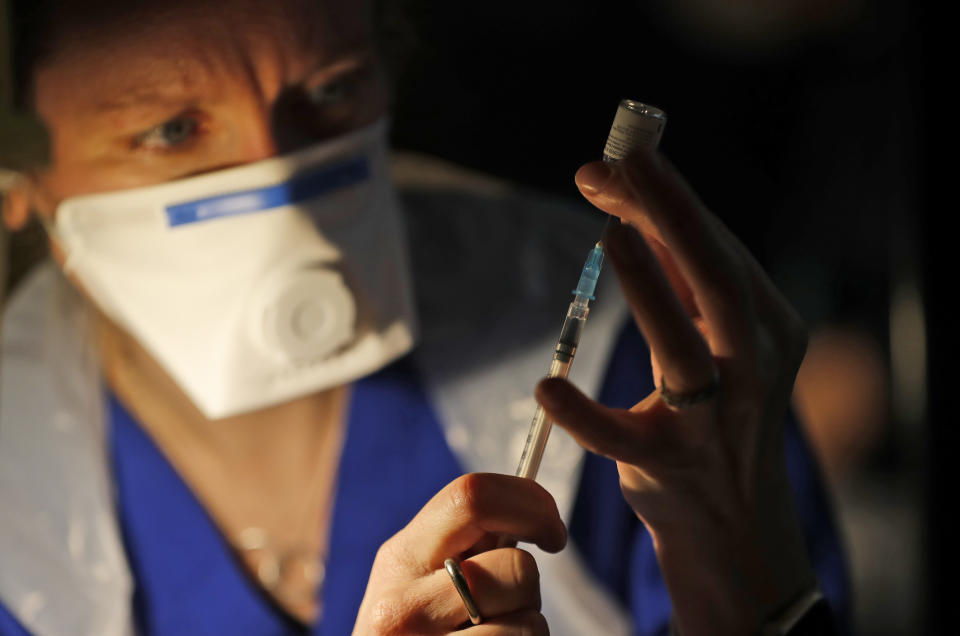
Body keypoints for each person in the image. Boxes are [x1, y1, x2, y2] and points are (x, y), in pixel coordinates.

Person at [0, 0, 848, 634]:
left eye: (332, 90)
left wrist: (748, 580)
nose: (287, 191)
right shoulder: (19, 505)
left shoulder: (639, 370)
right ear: (18, 183)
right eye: (172, 129)